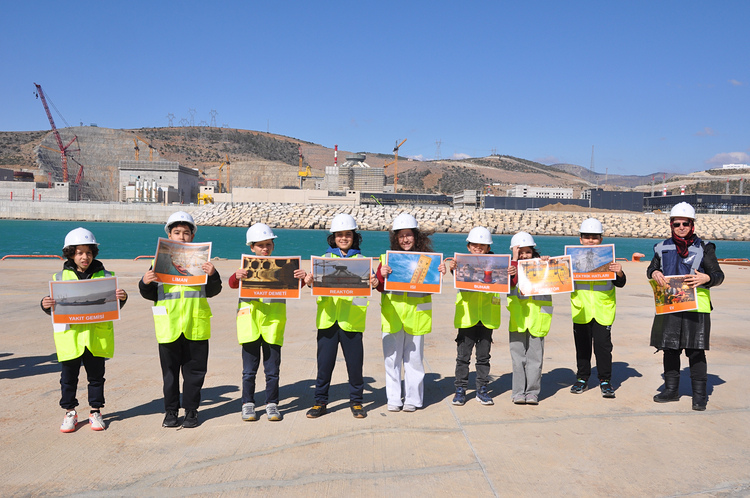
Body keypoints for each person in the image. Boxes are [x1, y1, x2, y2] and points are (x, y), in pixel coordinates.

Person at [139, 211, 222, 428]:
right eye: (177, 232)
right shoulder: (158, 262)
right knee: (170, 374)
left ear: (193, 236)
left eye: (186, 233)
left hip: (196, 325)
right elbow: (149, 293)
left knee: (195, 373)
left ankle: (191, 411)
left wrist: (213, 275)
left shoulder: (202, 262)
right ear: (169, 235)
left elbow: (213, 291)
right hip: (169, 326)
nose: (182, 237)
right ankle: (171, 411)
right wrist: (145, 282)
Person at [40, 228, 128, 432]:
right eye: (79, 252)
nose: (84, 257)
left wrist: (122, 298)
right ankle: (70, 412)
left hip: (96, 337)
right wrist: (45, 304)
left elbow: (113, 307)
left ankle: (95, 411)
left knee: (96, 378)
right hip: (70, 338)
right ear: (70, 253)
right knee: (68, 379)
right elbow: (54, 307)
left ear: (93, 253)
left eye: (88, 252)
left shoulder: (106, 276)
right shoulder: (60, 277)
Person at [647, 202, 724, 411]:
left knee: (696, 352)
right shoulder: (661, 247)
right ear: (671, 225)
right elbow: (651, 268)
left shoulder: (705, 248)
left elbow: (718, 275)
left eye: (685, 223)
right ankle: (671, 390)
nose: (681, 227)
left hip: (696, 309)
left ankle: (699, 396)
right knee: (670, 349)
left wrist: (707, 278)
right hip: (670, 306)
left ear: (692, 225)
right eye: (677, 224)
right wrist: (654, 272)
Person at [228, 223, 307, 422]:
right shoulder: (244, 268)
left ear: (273, 246)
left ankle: (272, 404)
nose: (265, 248)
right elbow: (232, 284)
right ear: (251, 247)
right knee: (249, 371)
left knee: (272, 371)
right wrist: (236, 276)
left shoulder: (284, 268)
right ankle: (248, 404)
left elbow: (294, 288)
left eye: (268, 244)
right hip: (250, 324)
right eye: (260, 245)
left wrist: (301, 278)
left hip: (273, 323)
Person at [303, 214, 378, 419]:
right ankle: (320, 402)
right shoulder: (322, 260)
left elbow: (372, 284)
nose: (343, 238)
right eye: (339, 235)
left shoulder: (363, 262)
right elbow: (314, 284)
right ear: (333, 237)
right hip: (327, 320)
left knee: (355, 366)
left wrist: (375, 283)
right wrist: (309, 282)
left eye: (348, 234)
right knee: (324, 365)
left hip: (352, 321)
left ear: (354, 237)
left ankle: (356, 402)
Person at [375, 213, 446, 412]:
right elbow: (379, 287)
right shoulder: (386, 259)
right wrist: (381, 275)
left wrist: (439, 272)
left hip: (416, 317)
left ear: (416, 236)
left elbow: (432, 288)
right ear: (395, 238)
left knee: (414, 361)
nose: (405, 239)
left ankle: (413, 399)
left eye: (409, 235)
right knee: (392, 360)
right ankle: (394, 399)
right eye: (401, 235)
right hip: (393, 316)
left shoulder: (427, 260)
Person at [569, 218, 627, 398]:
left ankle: (605, 380)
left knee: (603, 347)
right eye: (587, 237)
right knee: (582, 347)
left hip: (603, 311)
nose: (591, 241)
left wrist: (619, 272)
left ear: (601, 239)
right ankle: (582, 378)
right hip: (581, 310)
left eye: (595, 237)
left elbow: (621, 283)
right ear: (580, 239)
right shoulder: (571, 259)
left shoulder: (608, 260)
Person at [445, 227, 500, 406]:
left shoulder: (497, 264)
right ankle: (460, 389)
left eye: (482, 245)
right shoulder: (462, 263)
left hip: (487, 317)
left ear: (488, 247)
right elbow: (458, 277)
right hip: (467, 316)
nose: (478, 248)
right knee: (463, 357)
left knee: (483, 357)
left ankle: (482, 389)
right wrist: (453, 269)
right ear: (468, 247)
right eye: (474, 245)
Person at [506, 232, 551, 405]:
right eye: (520, 252)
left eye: (527, 252)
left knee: (535, 359)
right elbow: (509, 284)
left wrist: (546, 262)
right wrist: (514, 260)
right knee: (518, 359)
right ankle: (518, 392)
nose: (524, 255)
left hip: (538, 319)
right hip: (518, 318)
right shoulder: (510, 268)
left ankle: (532, 392)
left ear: (533, 252)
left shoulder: (543, 266)